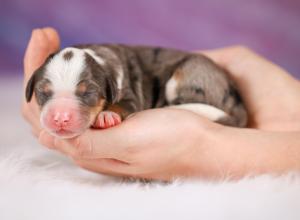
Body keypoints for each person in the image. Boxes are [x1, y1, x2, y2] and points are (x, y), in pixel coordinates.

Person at [22, 27, 300, 181]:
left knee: (193, 70)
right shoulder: (94, 73)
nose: (60, 116)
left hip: (192, 77)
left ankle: (215, 114)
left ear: (110, 88)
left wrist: (115, 111)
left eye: (86, 95)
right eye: (46, 95)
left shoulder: (113, 78)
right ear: (32, 89)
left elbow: (128, 101)